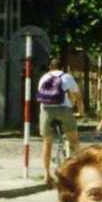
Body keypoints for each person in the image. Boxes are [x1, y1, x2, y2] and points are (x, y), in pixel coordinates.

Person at [36, 57, 83, 186]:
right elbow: (78, 96)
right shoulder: (67, 77)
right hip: (64, 110)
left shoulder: (43, 78)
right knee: (74, 140)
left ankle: (46, 175)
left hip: (46, 110)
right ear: (63, 67)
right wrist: (81, 112)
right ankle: (78, 172)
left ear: (50, 68)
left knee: (47, 142)